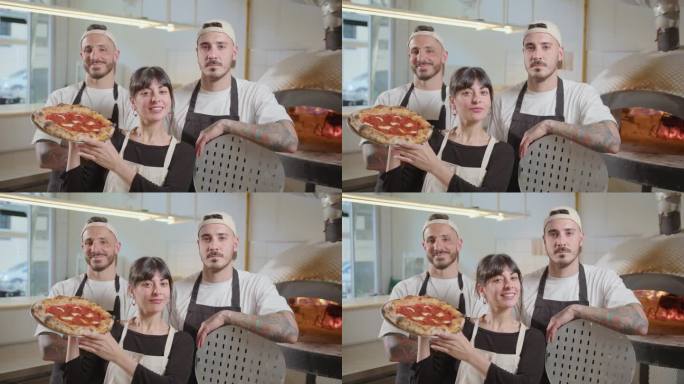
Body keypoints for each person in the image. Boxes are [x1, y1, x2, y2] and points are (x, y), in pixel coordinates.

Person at [489, 20, 620, 191]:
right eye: (530, 47)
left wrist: (550, 126)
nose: (537, 55)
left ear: (560, 54)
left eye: (546, 47)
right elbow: (493, 160)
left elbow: (612, 142)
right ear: (524, 53)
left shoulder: (581, 94)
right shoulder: (503, 100)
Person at [522, 206, 648, 383]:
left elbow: (640, 323)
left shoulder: (602, 279)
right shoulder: (525, 285)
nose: (561, 241)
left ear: (581, 238)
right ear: (545, 240)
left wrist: (576, 311)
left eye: (569, 233)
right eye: (553, 234)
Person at [170, 212, 298, 384]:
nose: (214, 246)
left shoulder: (255, 285)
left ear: (235, 243)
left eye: (222, 238)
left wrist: (227, 316)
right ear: (198, 244)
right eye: (206, 239)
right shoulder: (178, 290)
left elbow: (289, 331)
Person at [379, 214, 483, 384]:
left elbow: (484, 344)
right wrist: (457, 346)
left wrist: (420, 337)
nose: (438, 246)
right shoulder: (405, 290)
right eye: (431, 240)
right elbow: (393, 349)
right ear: (424, 245)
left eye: (446, 239)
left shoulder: (476, 291)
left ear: (459, 244)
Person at [32, 24, 138, 192]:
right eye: (88, 50)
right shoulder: (60, 98)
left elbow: (136, 157)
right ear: (82, 55)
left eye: (102, 49)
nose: (94, 56)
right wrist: (105, 157)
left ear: (116, 55)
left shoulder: (130, 102)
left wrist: (73, 147)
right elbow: (44, 156)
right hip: (64, 193)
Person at [414, 254, 545, 384]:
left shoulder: (532, 339)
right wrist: (423, 334)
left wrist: (470, 355)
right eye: (498, 280)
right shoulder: (461, 329)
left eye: (513, 278)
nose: (509, 285)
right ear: (481, 289)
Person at [378, 67, 514, 191]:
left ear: (490, 101)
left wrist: (434, 166)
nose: (477, 99)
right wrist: (394, 142)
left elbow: (487, 202)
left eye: (483, 92)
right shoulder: (431, 141)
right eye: (467, 93)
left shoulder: (502, 152)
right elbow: (394, 192)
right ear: (452, 102)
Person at [61, 66, 195, 192]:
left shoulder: (183, 153)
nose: (155, 99)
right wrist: (73, 141)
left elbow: (167, 200)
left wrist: (117, 165)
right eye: (146, 93)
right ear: (132, 103)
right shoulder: (111, 140)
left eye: (162, 91)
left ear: (170, 100)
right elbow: (74, 192)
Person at [173, 20, 297, 155]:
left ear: (234, 52)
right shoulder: (175, 98)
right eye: (205, 46)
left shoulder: (255, 94)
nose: (212, 55)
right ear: (197, 52)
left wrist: (227, 125)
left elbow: (289, 141)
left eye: (221, 46)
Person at [64, 257, 194, 383]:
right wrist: (72, 332)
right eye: (147, 284)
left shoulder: (181, 341)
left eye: (163, 283)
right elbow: (74, 381)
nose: (157, 291)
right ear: (131, 290)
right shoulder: (111, 331)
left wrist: (117, 356)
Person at [35, 217, 132, 384]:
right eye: (89, 242)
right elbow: (47, 349)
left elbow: (136, 348)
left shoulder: (131, 293)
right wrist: (109, 347)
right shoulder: (62, 291)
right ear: (83, 247)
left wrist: (71, 339)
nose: (95, 248)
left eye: (103, 242)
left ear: (117, 247)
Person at [362, 25, 456, 179]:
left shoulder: (456, 103)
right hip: (392, 188)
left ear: (444, 56)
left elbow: (460, 159)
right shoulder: (388, 100)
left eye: (429, 50)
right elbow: (369, 159)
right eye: (415, 51)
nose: (421, 57)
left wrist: (394, 144)